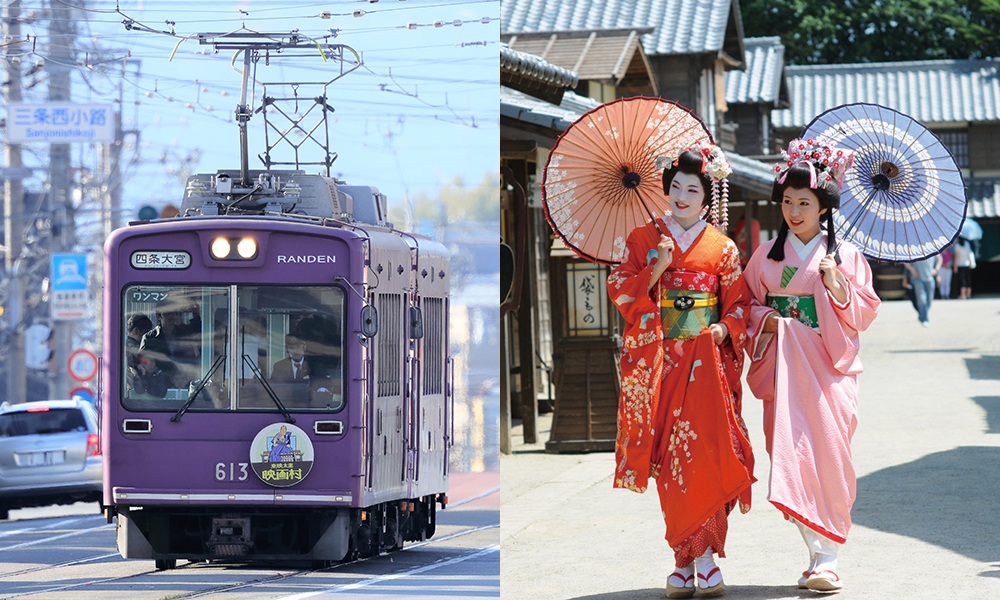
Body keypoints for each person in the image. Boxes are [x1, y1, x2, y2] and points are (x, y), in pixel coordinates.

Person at [608, 143, 755, 599]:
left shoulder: (723, 248)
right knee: (671, 459)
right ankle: (681, 558)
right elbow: (621, 290)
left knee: (708, 453)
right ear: (666, 190)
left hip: (708, 363)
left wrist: (723, 330)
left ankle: (707, 559)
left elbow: (740, 306)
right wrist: (657, 269)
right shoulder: (643, 240)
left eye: (693, 188)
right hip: (663, 362)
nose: (683, 195)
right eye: (675, 187)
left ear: (708, 199)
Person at [743, 138, 880, 592]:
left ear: (823, 208)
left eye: (805, 202)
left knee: (829, 457)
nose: (794, 211)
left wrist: (837, 284)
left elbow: (864, 311)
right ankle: (815, 552)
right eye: (787, 201)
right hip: (782, 369)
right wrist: (770, 321)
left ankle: (828, 557)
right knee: (789, 456)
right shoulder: (765, 256)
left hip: (827, 369)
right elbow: (744, 305)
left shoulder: (845, 257)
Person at [903, 255, 941, 326]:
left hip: (929, 278)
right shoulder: (914, 249)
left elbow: (940, 259)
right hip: (917, 278)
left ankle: (923, 314)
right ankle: (924, 318)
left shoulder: (931, 248)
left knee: (929, 300)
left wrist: (936, 270)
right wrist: (913, 271)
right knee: (921, 299)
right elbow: (905, 261)